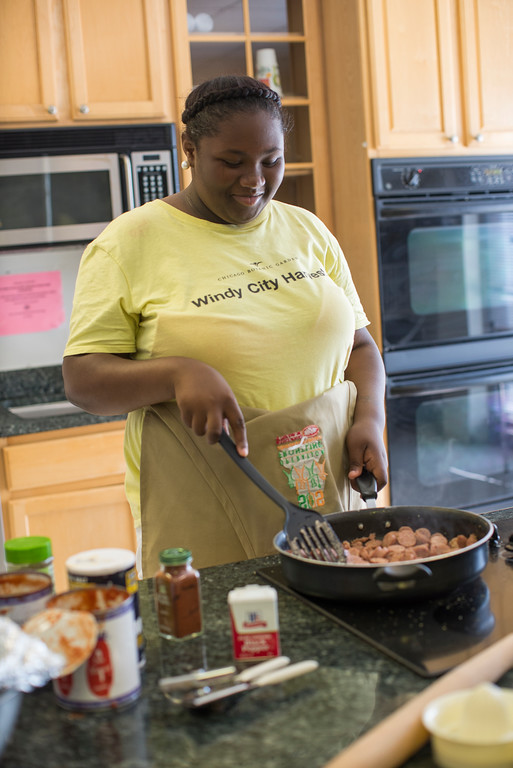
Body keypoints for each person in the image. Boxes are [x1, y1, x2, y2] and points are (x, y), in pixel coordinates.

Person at [63, 75, 388, 577]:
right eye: (232, 162)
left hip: (321, 482)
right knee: (223, 639)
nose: (254, 180)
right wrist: (176, 373)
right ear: (189, 149)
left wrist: (370, 417)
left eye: (271, 160)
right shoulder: (129, 243)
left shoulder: (307, 230)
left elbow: (360, 347)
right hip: (205, 485)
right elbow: (83, 380)